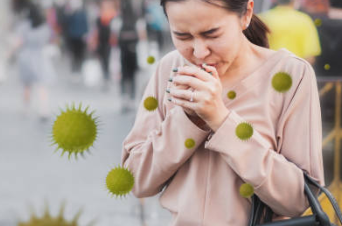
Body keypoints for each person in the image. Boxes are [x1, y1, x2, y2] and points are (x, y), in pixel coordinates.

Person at [121, 0, 324, 225]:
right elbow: (135, 180)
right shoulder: (170, 69)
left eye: (212, 34)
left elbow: (297, 199)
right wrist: (188, 120)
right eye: (182, 36)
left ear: (246, 14)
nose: (199, 52)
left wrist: (221, 120)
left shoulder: (290, 75)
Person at [12, 2, 54, 120]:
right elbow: (48, 39)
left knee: (27, 85)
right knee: (42, 84)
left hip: (26, 56)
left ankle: (26, 108)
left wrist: (11, 52)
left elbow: (18, 42)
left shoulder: (24, 26)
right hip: (40, 56)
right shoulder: (44, 26)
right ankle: (44, 109)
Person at [259, 0, 321, 65]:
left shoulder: (262, 19)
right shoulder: (304, 20)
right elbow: (310, 56)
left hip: (268, 70)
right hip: (295, 70)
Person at [118, 0, 140, 113]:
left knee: (125, 76)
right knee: (131, 77)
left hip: (124, 54)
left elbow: (115, 39)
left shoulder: (119, 21)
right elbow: (140, 37)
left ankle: (126, 98)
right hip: (132, 53)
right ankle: (130, 98)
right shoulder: (136, 22)